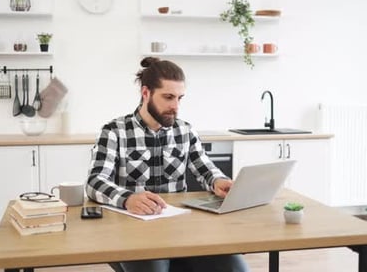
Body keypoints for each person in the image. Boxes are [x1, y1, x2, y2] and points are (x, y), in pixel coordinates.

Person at [86, 57, 250, 272]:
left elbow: (204, 166)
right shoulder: (114, 132)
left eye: (180, 98)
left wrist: (218, 180)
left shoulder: (185, 130)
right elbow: (94, 182)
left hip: (181, 229)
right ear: (146, 93)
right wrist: (128, 199)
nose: (175, 106)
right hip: (133, 232)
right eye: (168, 97)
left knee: (237, 269)